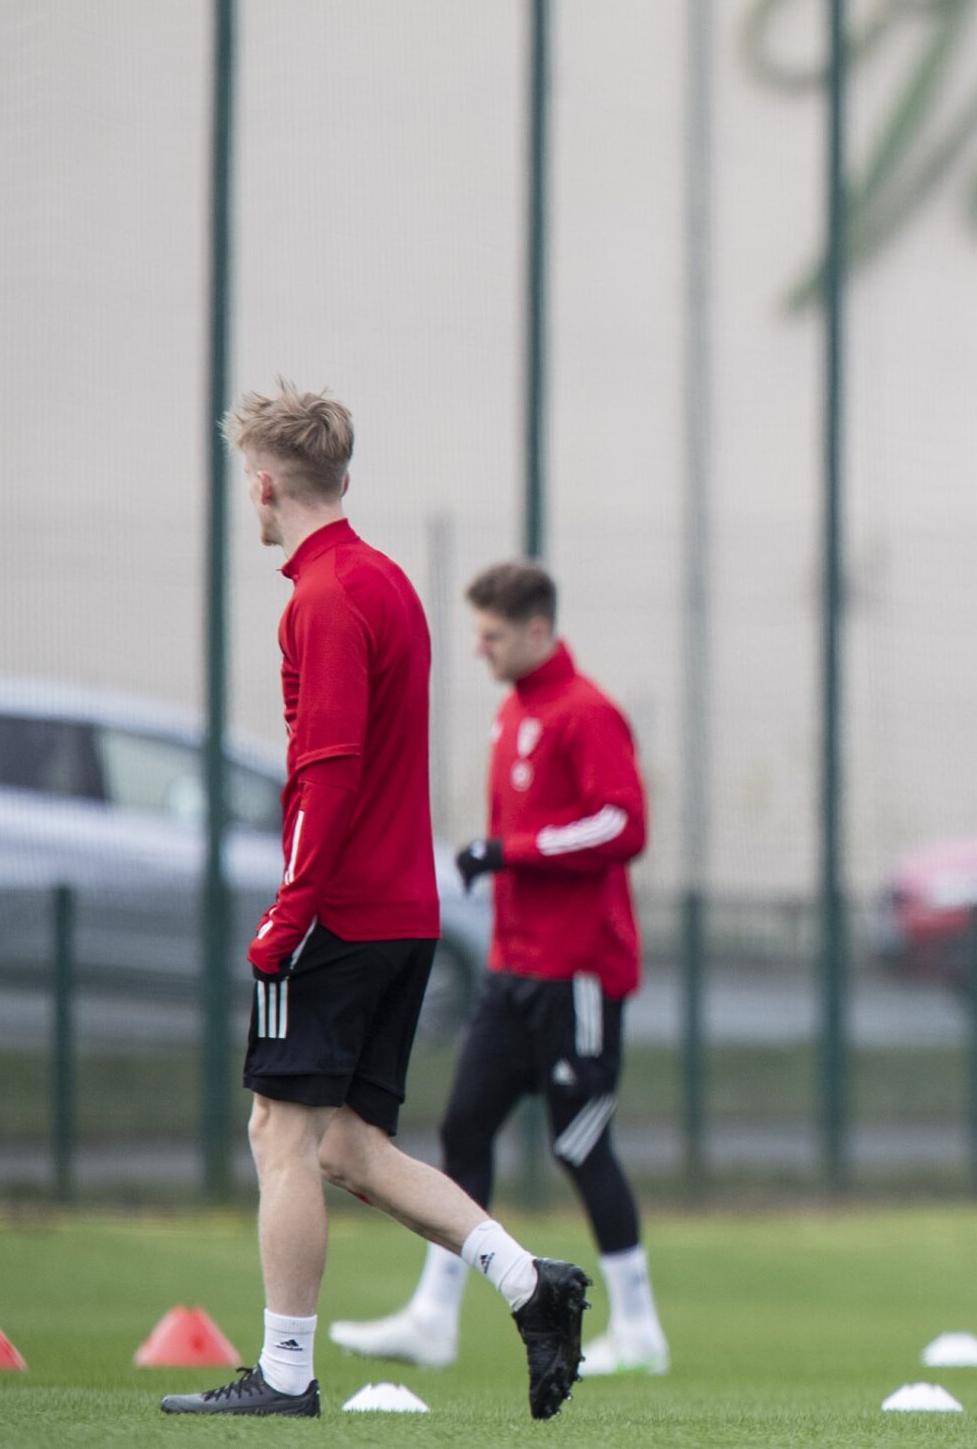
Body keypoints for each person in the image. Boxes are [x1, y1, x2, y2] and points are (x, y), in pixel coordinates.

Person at [163, 385, 586, 1420]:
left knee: (280, 1134)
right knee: (348, 1146)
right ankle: (534, 1286)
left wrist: (286, 913)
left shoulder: (323, 597)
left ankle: (287, 1376)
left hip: (343, 915)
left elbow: (331, 772)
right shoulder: (383, 581)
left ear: (263, 485)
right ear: (340, 479)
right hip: (405, 911)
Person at [332, 561, 669, 1378]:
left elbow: (623, 825)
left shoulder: (586, 714)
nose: (479, 651)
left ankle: (640, 1327)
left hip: (578, 974)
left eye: (490, 636)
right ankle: (432, 1317)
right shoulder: (512, 711)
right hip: (513, 971)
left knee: (580, 1140)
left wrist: (509, 853)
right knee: (464, 1129)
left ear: (536, 630)